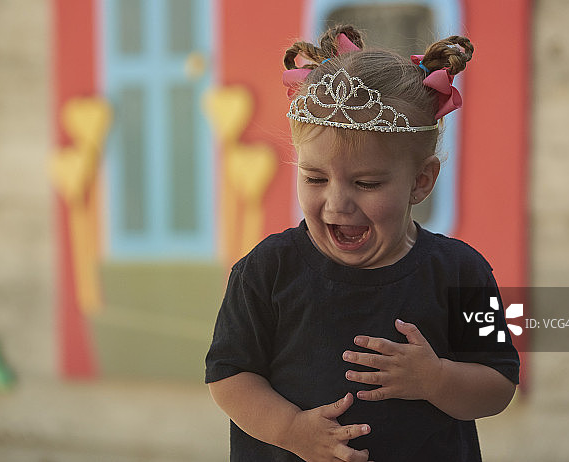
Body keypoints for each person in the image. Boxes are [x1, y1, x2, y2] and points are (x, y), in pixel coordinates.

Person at [205, 24, 520, 462]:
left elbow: (499, 385)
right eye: (314, 178)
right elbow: (229, 375)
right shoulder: (265, 271)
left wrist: (436, 379)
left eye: (366, 183)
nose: (337, 204)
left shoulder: (464, 273)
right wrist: (292, 430)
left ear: (421, 180)